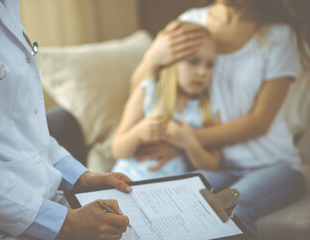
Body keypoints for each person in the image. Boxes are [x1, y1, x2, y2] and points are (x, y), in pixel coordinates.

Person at [0, 1, 132, 240]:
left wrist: (81, 178)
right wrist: (66, 223)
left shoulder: (7, 7)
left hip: (47, 204)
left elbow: (28, 129)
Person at [131, 0, 309, 238]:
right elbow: (144, 90)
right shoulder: (189, 24)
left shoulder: (278, 35)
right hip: (215, 163)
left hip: (274, 164)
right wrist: (151, 59)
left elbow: (259, 122)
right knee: (180, 202)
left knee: (230, 209)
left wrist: (185, 140)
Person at [111, 22, 222, 181]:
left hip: (166, 193)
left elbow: (213, 164)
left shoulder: (208, 110)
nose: (202, 72)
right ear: (171, 61)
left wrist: (190, 144)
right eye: (193, 62)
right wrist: (139, 133)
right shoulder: (147, 92)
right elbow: (117, 149)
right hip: (126, 180)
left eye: (209, 65)